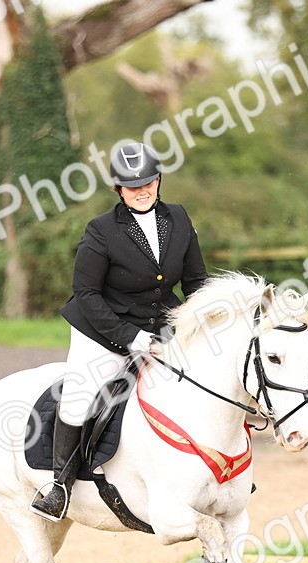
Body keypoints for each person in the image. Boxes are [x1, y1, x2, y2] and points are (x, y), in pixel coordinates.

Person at [31, 141, 209, 521]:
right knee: (80, 395)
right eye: (132, 186)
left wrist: (208, 323)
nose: (142, 191)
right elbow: (87, 293)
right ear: (118, 189)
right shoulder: (101, 230)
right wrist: (128, 337)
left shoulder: (178, 218)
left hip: (164, 323)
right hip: (103, 326)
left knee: (208, 378)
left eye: (148, 182)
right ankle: (60, 485)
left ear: (159, 180)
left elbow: (195, 282)